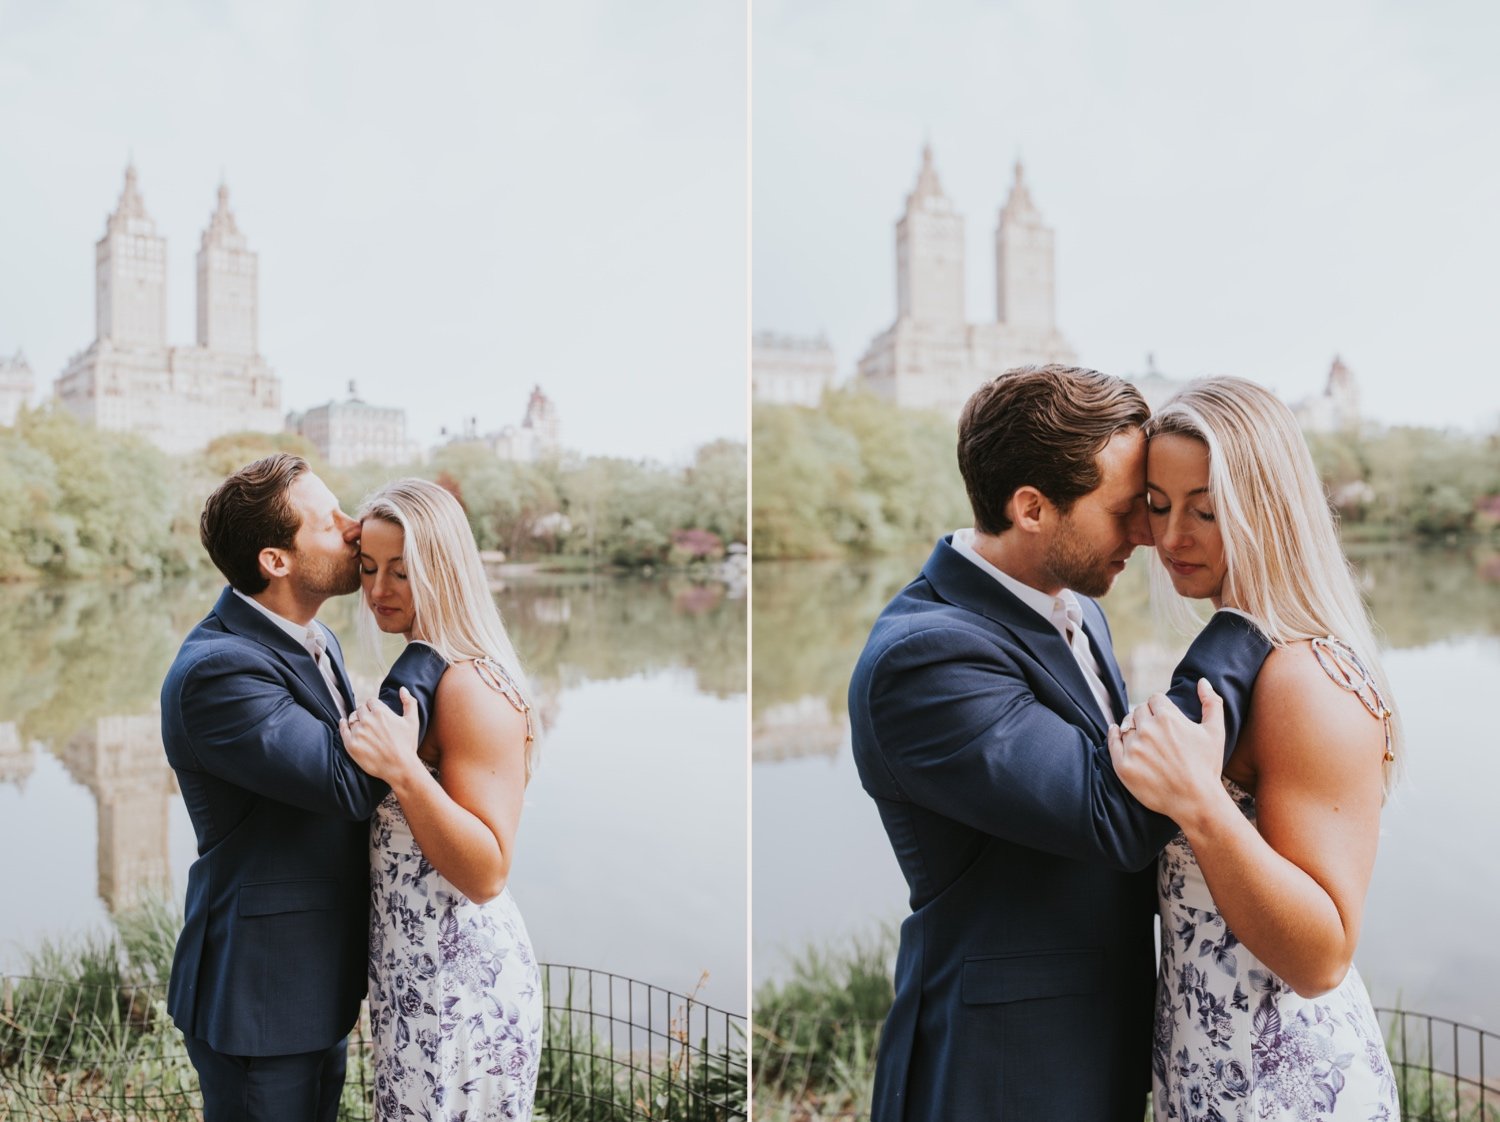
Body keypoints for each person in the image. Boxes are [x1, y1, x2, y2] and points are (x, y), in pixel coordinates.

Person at [847, 364, 1273, 1121]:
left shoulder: (1076, 607)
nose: (1148, 534)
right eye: (1126, 510)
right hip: (1001, 1071)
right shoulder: (924, 660)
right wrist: (1246, 619)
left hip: (1097, 1049)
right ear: (1032, 508)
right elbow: (1117, 813)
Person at [1108, 377, 1400, 1119]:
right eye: (1160, 505)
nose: (1174, 537)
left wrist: (1200, 803)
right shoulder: (1242, 657)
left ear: (1266, 507)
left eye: (1206, 509)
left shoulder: (1304, 679)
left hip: (1288, 1088)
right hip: (1206, 1071)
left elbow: (1322, 956)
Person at [160, 454, 446, 1122]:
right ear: (276, 561)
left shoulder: (314, 642)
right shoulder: (219, 672)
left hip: (313, 983)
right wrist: (432, 644)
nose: (354, 529)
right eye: (329, 521)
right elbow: (349, 781)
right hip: (257, 993)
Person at [339, 478, 543, 1122]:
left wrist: (403, 770)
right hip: (415, 978)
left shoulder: (467, 686)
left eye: (401, 571)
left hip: (461, 987)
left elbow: (488, 871)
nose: (377, 591)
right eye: (367, 568)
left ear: (443, 569)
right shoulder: (429, 671)